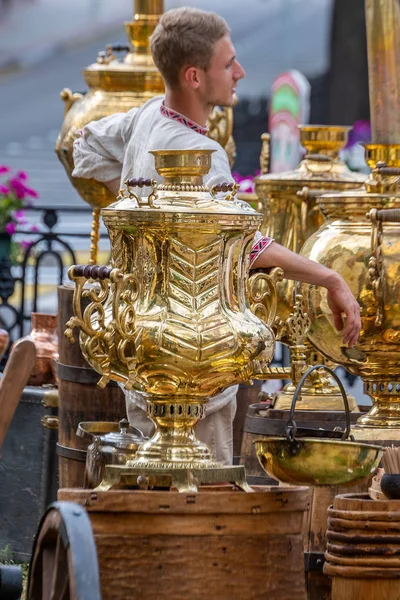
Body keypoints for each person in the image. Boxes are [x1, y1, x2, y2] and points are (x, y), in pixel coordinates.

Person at [72, 7, 361, 465]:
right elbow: (248, 249)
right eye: (228, 64)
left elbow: (83, 142)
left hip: (143, 351)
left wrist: (134, 207)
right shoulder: (200, 152)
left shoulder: (148, 117)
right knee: (198, 507)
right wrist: (330, 278)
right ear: (193, 76)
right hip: (196, 366)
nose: (241, 73)